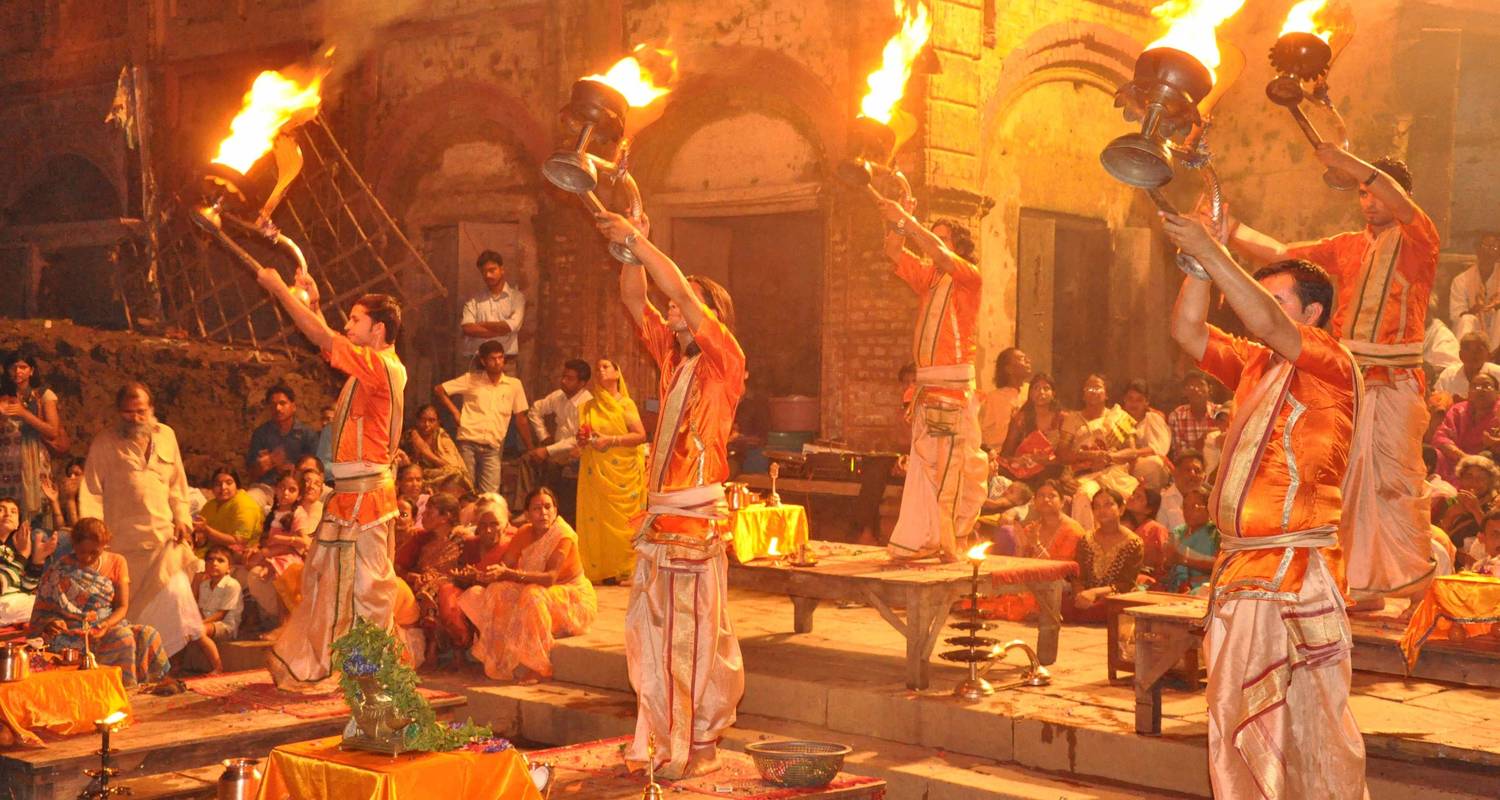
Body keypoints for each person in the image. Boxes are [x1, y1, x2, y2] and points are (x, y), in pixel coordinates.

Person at [1163, 208, 1365, 797]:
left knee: (1309, 728)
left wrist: (1212, 246)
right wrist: (1199, 260)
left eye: (1276, 298)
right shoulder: (1257, 364)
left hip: (1290, 569)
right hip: (1245, 568)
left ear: (1312, 314)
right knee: (1239, 720)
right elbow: (1188, 330)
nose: (1260, 307)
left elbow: (1269, 326)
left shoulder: (1330, 362)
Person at [1221, 145, 1435, 606]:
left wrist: (1343, 157)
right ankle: (1363, 586)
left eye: (1375, 191)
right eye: (1361, 193)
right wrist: (1229, 230)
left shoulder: (1420, 238)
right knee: (1344, 483)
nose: (1369, 201)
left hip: (1396, 381)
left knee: (1399, 484)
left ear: (1401, 196)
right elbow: (1282, 253)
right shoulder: (1348, 245)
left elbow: (1398, 202)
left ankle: (1422, 586)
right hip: (1349, 379)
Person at [595, 209, 745, 779]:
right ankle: (664, 736)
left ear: (709, 315)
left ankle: (699, 743)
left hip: (695, 519)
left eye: (686, 305)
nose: (673, 309)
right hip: (660, 520)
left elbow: (674, 286)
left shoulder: (723, 358)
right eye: (678, 307)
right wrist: (635, 246)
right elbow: (636, 299)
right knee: (652, 634)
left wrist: (639, 240)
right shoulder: (672, 358)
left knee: (695, 635)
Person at [252, 259, 407, 692]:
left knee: (368, 591)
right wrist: (313, 300)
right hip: (351, 496)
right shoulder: (370, 365)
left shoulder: (383, 368)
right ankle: (336, 666)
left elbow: (323, 337)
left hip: (369, 500)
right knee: (329, 583)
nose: (348, 324)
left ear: (378, 330)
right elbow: (328, 339)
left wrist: (280, 290)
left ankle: (369, 676)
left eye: (356, 319)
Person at [876, 198, 987, 562]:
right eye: (934, 235)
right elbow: (893, 250)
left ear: (959, 248)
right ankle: (923, 540)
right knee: (926, 468)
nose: (935, 243)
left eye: (944, 238)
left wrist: (908, 220)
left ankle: (950, 546)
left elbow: (936, 253)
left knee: (952, 469)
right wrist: (897, 222)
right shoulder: (930, 280)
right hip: (928, 387)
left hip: (953, 389)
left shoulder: (968, 276)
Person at [80, 382, 203, 657]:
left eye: (140, 411)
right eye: (127, 412)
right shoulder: (104, 443)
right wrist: (94, 539)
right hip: (125, 546)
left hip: (165, 540)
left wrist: (183, 517)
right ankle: (145, 663)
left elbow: (177, 486)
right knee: (135, 611)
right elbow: (91, 492)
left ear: (152, 409)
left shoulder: (167, 436)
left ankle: (174, 659)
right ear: (118, 411)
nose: (134, 418)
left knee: (176, 593)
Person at [459, 487, 596, 682]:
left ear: (556, 510)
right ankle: (498, 656)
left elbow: (550, 578)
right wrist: (484, 575)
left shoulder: (564, 535)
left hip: (572, 598)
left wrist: (508, 573)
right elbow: (504, 566)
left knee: (533, 595)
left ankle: (538, 666)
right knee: (495, 590)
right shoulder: (524, 532)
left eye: (548, 507)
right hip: (534, 588)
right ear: (527, 514)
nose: (544, 513)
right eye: (537, 509)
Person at [30, 518, 169, 687]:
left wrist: (104, 625)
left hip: (106, 624)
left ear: (105, 545)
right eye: (82, 552)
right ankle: (122, 688)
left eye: (94, 552)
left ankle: (148, 686)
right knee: (123, 638)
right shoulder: (60, 569)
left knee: (148, 634)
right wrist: (51, 623)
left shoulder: (117, 562)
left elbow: (122, 607)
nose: (87, 557)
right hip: (72, 632)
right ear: (74, 545)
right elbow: (42, 610)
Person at [574, 358, 647, 584]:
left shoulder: (625, 404)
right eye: (598, 368)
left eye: (606, 366)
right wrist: (583, 440)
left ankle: (624, 569)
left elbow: (640, 435)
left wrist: (611, 440)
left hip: (622, 473)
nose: (601, 370)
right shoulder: (589, 406)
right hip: (596, 470)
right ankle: (601, 569)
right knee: (598, 520)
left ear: (617, 373)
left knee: (622, 522)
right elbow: (585, 437)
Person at [434, 341, 536, 495]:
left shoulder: (514, 385)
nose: (497, 362)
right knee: (465, 489)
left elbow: (521, 419)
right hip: (468, 440)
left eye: (500, 358)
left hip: (493, 446)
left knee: (490, 495)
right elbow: (439, 389)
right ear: (483, 361)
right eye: (492, 359)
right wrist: (455, 412)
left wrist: (530, 448)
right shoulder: (471, 379)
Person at [1066, 374, 1142, 530]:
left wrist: (1108, 457)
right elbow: (1062, 453)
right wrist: (1090, 456)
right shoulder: (1072, 419)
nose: (1093, 391)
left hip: (1114, 473)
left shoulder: (1119, 417)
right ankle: (1087, 543)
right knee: (1083, 495)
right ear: (1083, 394)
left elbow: (1132, 452)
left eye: (1098, 387)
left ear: (1106, 394)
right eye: (1089, 388)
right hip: (1085, 475)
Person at [0, 351, 64, 526]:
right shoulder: (2, 398)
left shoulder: (44, 396)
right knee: (7, 515)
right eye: (13, 367)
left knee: (38, 518)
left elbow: (52, 431)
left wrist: (23, 413)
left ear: (31, 371)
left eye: (23, 367)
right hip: (6, 469)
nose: (18, 371)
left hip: (36, 465)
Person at [527, 359, 594, 525]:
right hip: (556, 448)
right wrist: (544, 437)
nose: (564, 381)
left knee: (552, 465)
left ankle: (557, 516)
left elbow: (578, 438)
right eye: (563, 376)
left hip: (577, 450)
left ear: (582, 383)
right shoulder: (558, 396)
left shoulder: (587, 403)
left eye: (570, 378)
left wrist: (548, 450)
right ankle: (528, 510)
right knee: (527, 460)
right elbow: (535, 411)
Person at [1067, 488, 1144, 623]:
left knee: (1113, 608)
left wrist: (1095, 593)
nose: (1102, 510)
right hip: (1085, 596)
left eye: (1108, 504)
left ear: (1121, 509)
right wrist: (1080, 594)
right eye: (1097, 506)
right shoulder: (1086, 539)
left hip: (1114, 597)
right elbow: (1078, 575)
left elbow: (1125, 584)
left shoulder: (1133, 543)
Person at [243, 470, 308, 628]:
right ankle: (273, 619)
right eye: (282, 488)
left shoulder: (298, 514)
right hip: (271, 556)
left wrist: (284, 539)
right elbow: (266, 539)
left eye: (291, 490)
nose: (285, 493)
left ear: (299, 495)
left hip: (288, 556)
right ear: (276, 489)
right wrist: (256, 548)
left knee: (282, 575)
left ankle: (284, 624)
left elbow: (305, 542)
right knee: (253, 568)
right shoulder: (273, 512)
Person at [459, 249, 525, 374]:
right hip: (478, 363)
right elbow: (467, 328)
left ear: (502, 269)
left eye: (492, 270)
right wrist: (500, 329)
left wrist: (481, 324)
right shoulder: (474, 300)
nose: (488, 275)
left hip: (506, 363)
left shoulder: (516, 298)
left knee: (507, 394)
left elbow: (512, 326)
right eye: (484, 272)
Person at [999, 373, 1071, 485]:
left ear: (1053, 394)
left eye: (1046, 388)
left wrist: (1048, 461)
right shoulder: (1020, 418)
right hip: (1025, 469)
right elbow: (1005, 454)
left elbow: (1067, 455)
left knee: (1051, 473)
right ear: (1030, 393)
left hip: (1052, 468)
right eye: (1036, 388)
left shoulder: (1063, 418)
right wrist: (1018, 460)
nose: (1041, 392)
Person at [1431, 372, 1500, 482]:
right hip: (1455, 461)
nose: (1480, 389)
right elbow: (1440, 437)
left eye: (1487, 386)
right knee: (1433, 454)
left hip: (1489, 465)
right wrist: (1464, 458)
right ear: (1468, 392)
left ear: (1497, 393)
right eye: (1475, 386)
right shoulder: (1458, 410)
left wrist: (1495, 443)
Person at [246, 386, 319, 486]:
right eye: (273, 404)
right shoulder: (261, 434)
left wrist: (294, 470)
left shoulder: (308, 434)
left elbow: (316, 470)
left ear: (293, 406)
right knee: (253, 496)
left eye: (282, 403)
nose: (278, 408)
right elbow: (251, 473)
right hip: (267, 487)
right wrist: (267, 462)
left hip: (300, 487)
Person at [0, 496, 52, 625]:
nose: (7, 514)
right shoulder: (19, 553)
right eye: (1, 510)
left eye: (13, 512)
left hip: (13, 605)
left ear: (18, 522)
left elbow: (25, 589)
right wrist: (22, 557)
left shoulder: (12, 549)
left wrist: (37, 562)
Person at [191, 545, 242, 673]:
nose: (214, 563)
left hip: (225, 626)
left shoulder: (232, 585)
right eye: (210, 560)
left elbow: (222, 614)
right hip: (208, 623)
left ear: (229, 568)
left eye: (220, 560)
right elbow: (201, 609)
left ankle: (218, 667)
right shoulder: (204, 585)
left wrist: (200, 624)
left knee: (199, 630)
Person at [194, 466, 265, 559]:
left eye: (229, 483)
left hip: (236, 555)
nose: (223, 487)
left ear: (237, 485)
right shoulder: (210, 505)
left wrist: (207, 531)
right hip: (207, 551)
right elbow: (199, 534)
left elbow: (239, 541)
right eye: (218, 484)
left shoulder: (245, 505)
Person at [1438, 454, 1500, 555]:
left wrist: (1476, 510)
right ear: (1461, 479)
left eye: (1481, 478)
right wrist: (1449, 517)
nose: (1474, 482)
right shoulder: (1451, 501)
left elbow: (1495, 536)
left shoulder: (1497, 504)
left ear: (1490, 482)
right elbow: (1438, 539)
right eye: (1468, 477)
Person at [1449, 231, 1500, 352]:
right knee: (1467, 319)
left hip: (1496, 334)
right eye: (1485, 247)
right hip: (1474, 333)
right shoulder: (1461, 280)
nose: (1489, 252)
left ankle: (1495, 358)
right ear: (1477, 249)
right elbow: (1456, 316)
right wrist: (1475, 309)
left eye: (1494, 248)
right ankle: (1464, 361)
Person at [1118, 379, 1172, 490]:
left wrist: (1134, 453)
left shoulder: (1153, 419)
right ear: (1124, 400)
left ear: (1146, 402)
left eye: (1139, 400)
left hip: (1147, 466)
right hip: (1121, 466)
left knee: (1154, 463)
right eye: (1130, 399)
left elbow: (1158, 449)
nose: (1133, 403)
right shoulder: (1117, 419)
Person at [402, 404, 470, 491]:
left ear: (438, 423)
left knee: (456, 475)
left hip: (438, 478)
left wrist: (426, 452)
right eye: (423, 420)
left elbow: (452, 467)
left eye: (431, 420)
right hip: (416, 479)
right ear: (417, 421)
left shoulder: (442, 437)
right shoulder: (409, 436)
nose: (427, 424)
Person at [1163, 488, 1219, 593]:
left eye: (1195, 506)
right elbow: (1167, 565)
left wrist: (1184, 558)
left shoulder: (1215, 533)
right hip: (1175, 586)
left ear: (1208, 508)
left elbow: (1219, 565)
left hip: (1202, 588)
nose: (1188, 511)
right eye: (1185, 507)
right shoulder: (1178, 532)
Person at [979, 347, 1031, 451]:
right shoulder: (992, 398)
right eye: (1022, 358)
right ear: (1009, 369)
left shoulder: (1032, 391)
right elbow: (982, 436)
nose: (1028, 361)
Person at [1124, 485, 1170, 584]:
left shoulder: (1156, 529)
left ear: (1148, 509)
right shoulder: (1123, 525)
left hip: (1149, 581)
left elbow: (1164, 562)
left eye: (1138, 497)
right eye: (1133, 494)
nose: (1131, 498)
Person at [1166, 371, 1216, 461]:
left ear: (1210, 389)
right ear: (1185, 392)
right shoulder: (1176, 416)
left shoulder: (1220, 413)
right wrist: (1200, 443)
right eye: (1191, 386)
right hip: (1190, 468)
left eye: (1201, 385)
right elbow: (1180, 455)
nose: (1196, 389)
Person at [1434, 332, 1500, 400]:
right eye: (1468, 350)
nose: (1473, 354)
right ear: (1460, 355)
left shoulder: (1498, 373)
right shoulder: (1448, 375)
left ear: (1488, 355)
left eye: (1479, 350)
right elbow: (1436, 400)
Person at [1157, 450, 1207, 531]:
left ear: (1204, 476)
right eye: (1187, 470)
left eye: (1197, 471)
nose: (1192, 474)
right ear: (1175, 473)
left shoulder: (1211, 501)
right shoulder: (1162, 500)